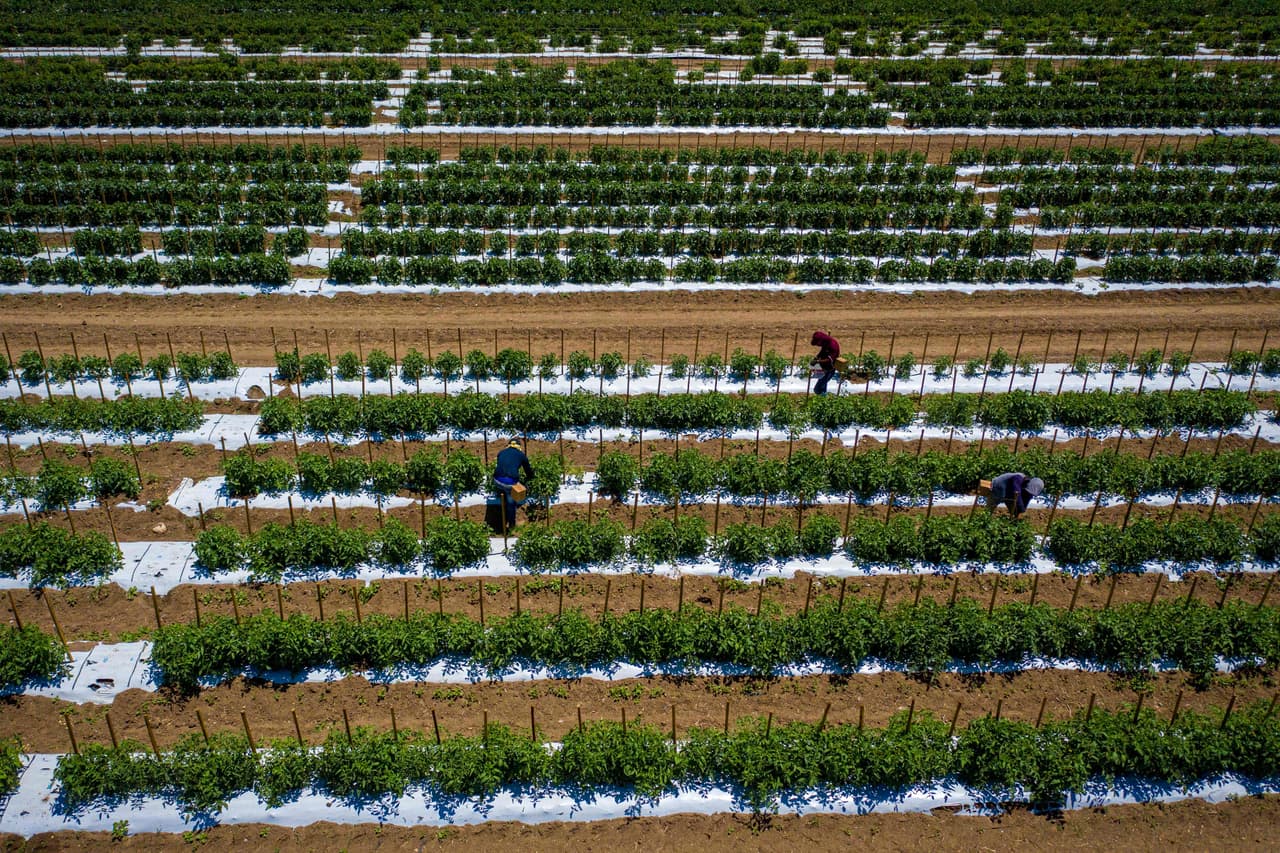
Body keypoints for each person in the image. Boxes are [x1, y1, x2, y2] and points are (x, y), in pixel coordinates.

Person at [493, 438, 533, 529]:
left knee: (502, 484)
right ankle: (511, 524)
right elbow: (528, 471)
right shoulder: (521, 455)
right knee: (511, 503)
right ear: (519, 447)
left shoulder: (501, 452)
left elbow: (501, 465)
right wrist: (530, 479)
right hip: (509, 484)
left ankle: (500, 494)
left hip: (496, 480)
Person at [810, 330, 840, 396]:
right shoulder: (825, 343)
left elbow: (830, 360)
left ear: (821, 340)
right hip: (824, 368)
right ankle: (823, 400)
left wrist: (817, 361)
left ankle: (823, 401)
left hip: (830, 369)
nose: (818, 345)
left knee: (818, 389)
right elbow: (822, 352)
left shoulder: (833, 345)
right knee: (822, 387)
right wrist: (816, 358)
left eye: (818, 343)